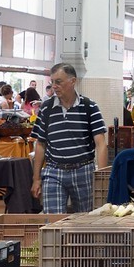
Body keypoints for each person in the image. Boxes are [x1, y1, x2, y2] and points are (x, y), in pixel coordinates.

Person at [29, 62, 108, 213]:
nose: (54, 86)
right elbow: (40, 144)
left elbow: (101, 144)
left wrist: (101, 179)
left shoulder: (89, 107)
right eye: (52, 82)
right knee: (53, 222)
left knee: (86, 219)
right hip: (54, 171)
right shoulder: (46, 108)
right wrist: (36, 178)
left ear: (73, 81)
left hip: (83, 170)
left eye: (58, 82)